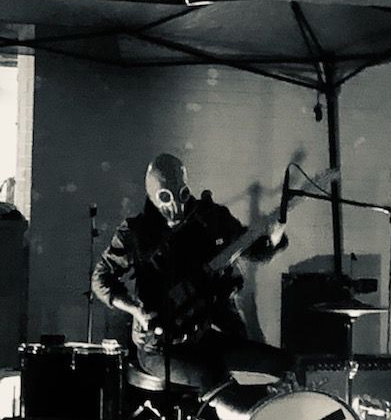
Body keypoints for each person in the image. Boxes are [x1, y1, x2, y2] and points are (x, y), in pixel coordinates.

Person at [92, 153, 290, 394]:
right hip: (159, 347)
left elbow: (254, 251)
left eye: (182, 195)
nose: (175, 207)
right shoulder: (135, 232)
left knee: (280, 363)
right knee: (214, 376)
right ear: (152, 196)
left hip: (203, 335)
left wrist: (274, 236)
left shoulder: (210, 217)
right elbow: (101, 278)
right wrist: (136, 310)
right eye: (165, 197)